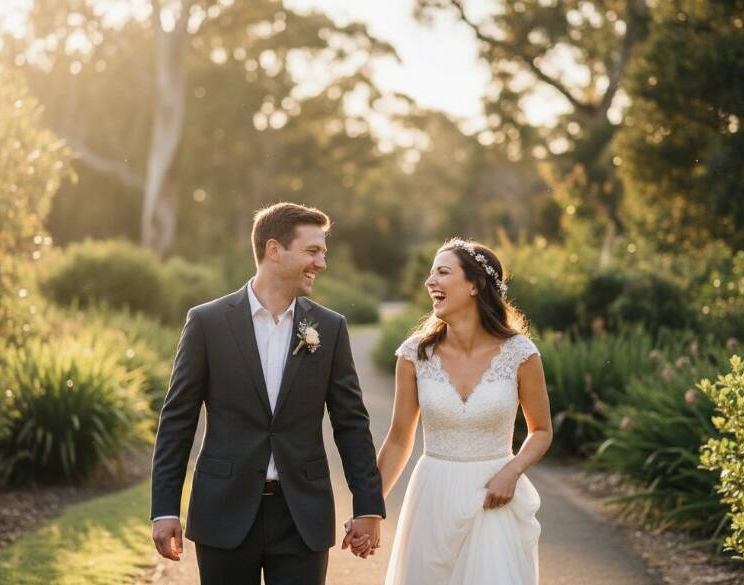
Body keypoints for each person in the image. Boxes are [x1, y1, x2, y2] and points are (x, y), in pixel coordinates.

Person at [150, 202, 385, 585]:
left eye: (323, 252)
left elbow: (351, 425)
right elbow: (177, 420)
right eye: (313, 251)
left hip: (302, 515)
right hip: (222, 510)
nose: (322, 263)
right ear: (274, 250)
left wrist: (369, 506)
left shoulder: (330, 327)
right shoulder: (207, 322)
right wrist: (164, 509)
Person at [349, 237, 552, 584]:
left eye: (442, 272)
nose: (430, 282)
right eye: (430, 274)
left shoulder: (520, 353)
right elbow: (399, 440)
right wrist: (370, 509)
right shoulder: (414, 355)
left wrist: (513, 470)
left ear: (474, 284)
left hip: (494, 497)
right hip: (433, 495)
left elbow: (542, 430)